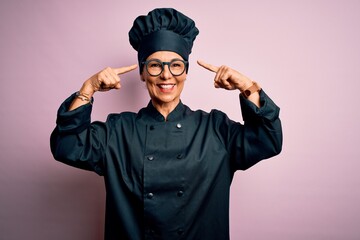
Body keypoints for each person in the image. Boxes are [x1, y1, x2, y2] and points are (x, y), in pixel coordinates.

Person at [50, 8, 282, 240]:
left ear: (186, 71)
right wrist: (87, 89)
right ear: (142, 73)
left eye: (176, 65)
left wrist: (248, 86)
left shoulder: (215, 128)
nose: (166, 75)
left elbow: (268, 139)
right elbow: (66, 145)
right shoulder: (117, 131)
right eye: (154, 65)